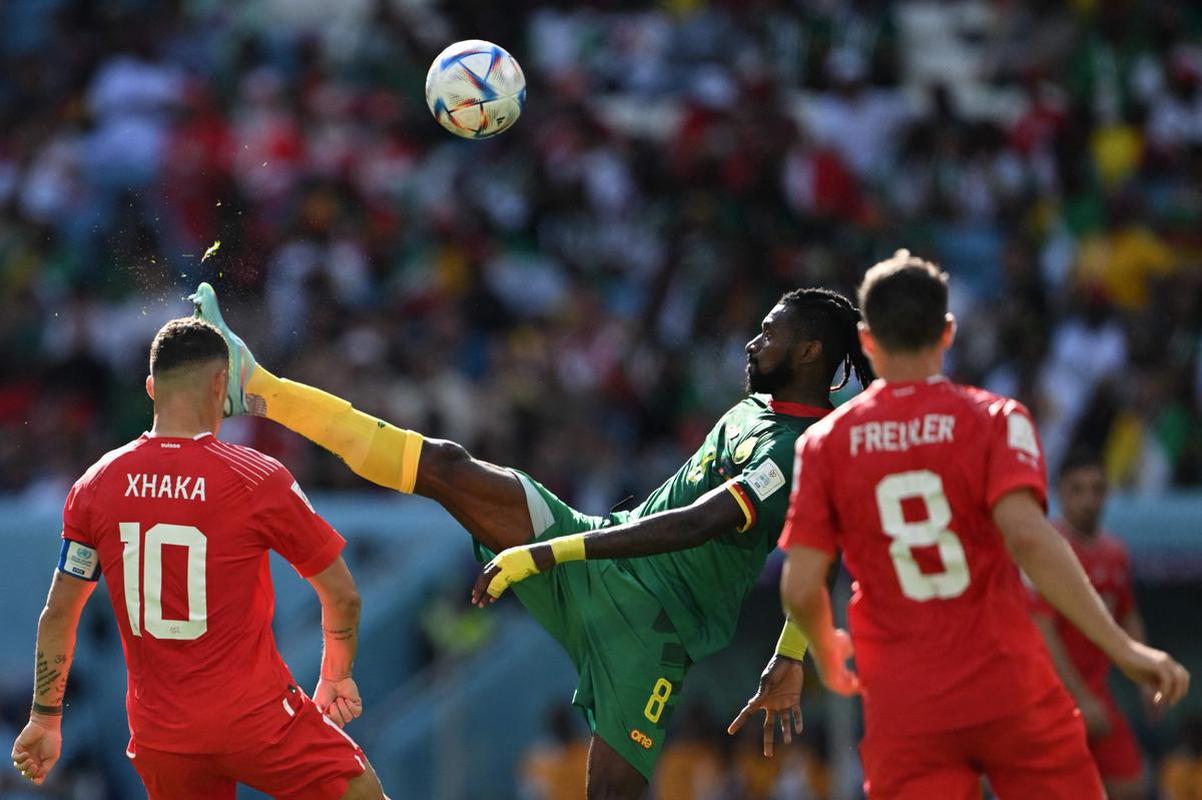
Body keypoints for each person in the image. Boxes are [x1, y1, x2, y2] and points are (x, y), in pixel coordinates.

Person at [190, 281, 873, 798]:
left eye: (769, 334)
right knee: (448, 466)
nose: (753, 343)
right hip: (598, 553)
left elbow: (700, 524)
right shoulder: (760, 408)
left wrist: (549, 552)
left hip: (651, 630)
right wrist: (789, 655)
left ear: (809, 351)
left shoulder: (802, 449)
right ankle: (259, 388)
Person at [776, 250, 1189, 799]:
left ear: (866, 339)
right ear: (947, 332)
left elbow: (800, 586)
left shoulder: (824, 445)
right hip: (1007, 684)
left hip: (905, 702)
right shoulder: (995, 419)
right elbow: (1030, 539)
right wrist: (1125, 650)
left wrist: (828, 657)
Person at [8, 318, 387, 800]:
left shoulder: (95, 484)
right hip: (259, 720)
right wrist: (336, 675)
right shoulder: (257, 478)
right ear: (220, 385)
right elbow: (342, 595)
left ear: (151, 388)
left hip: (162, 736)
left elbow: (59, 613)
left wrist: (44, 719)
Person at [1031, 450, 1149, 800]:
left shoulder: (1115, 553)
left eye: (1097, 489)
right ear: (1059, 492)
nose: (1088, 500)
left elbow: (1127, 614)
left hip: (1098, 694)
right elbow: (1042, 628)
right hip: (1049, 697)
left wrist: (1146, 673)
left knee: (1130, 786)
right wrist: (1080, 697)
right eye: (1077, 489)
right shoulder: (1046, 549)